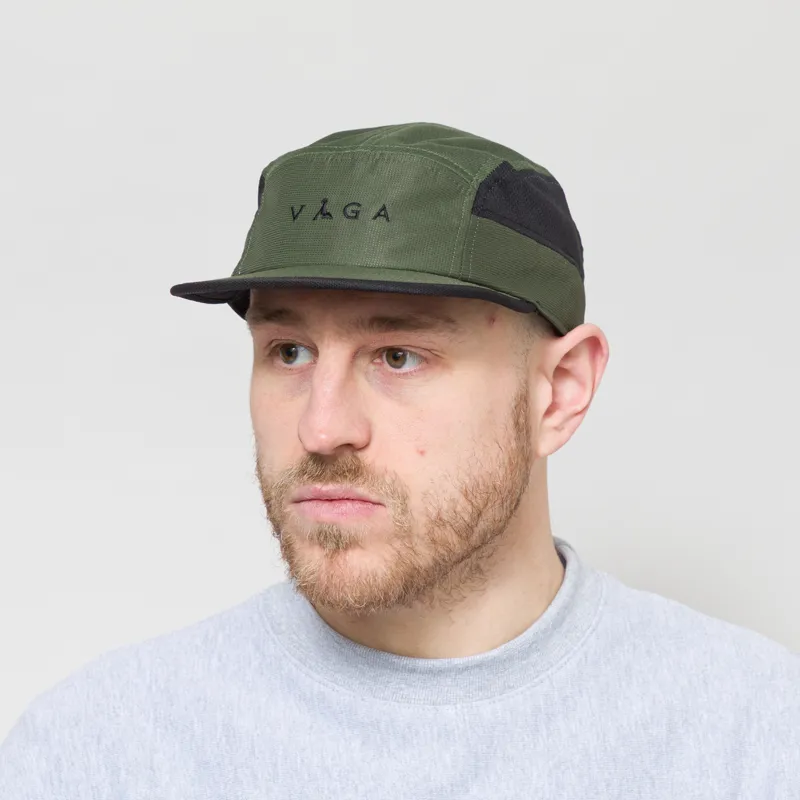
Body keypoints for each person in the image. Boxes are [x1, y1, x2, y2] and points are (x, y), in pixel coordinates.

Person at [1, 122, 797, 798]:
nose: (322, 428)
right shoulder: (99, 754)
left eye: (399, 356)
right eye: (289, 350)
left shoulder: (753, 740)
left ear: (559, 393)